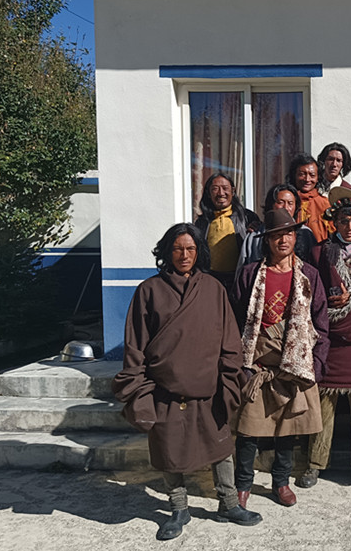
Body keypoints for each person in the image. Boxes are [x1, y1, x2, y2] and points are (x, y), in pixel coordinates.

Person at [112, 223, 261, 541]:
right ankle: (178, 509)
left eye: (191, 249)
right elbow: (135, 344)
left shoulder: (213, 288)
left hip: (209, 388)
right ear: (167, 252)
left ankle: (229, 503)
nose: (184, 255)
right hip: (165, 390)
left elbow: (229, 338)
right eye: (178, 248)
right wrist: (138, 386)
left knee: (221, 448)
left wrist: (230, 376)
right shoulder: (149, 290)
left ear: (199, 252)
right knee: (170, 450)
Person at [231, 209, 330, 508]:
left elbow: (320, 322)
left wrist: (316, 364)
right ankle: (242, 485)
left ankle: (281, 482)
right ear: (267, 240)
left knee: (288, 430)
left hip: (294, 364)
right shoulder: (250, 274)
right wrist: (240, 364)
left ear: (295, 237)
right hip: (257, 364)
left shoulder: (309, 275)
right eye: (276, 235)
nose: (283, 240)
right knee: (248, 430)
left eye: (288, 233)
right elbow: (235, 319)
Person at [300, 187, 351, 489]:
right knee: (323, 409)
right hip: (331, 340)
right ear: (334, 222)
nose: (349, 227)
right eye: (344, 221)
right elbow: (311, 293)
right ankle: (315, 464)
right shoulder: (320, 252)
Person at [194, 172, 259, 290]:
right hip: (211, 280)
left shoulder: (247, 218)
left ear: (233, 191)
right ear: (208, 193)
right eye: (215, 189)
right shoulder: (202, 222)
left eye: (225, 188)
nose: (221, 193)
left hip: (239, 280)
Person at [237, 183, 316, 268]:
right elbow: (243, 267)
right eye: (280, 202)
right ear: (271, 205)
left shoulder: (306, 233)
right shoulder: (255, 235)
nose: (286, 207)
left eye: (290, 203)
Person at [287, 153, 333, 243]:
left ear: (318, 178)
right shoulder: (287, 201)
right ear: (294, 175)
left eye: (312, 175)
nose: (307, 179)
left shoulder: (324, 203)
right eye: (302, 174)